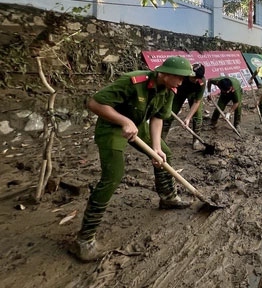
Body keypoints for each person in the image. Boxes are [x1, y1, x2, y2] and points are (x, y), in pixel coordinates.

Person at [73, 56, 195, 262]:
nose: (182, 82)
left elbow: (157, 117)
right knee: (113, 176)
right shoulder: (133, 81)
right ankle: (84, 240)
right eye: (179, 77)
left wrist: (156, 148)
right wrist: (123, 120)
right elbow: (94, 103)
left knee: (166, 153)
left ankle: (168, 197)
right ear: (164, 73)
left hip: (138, 127)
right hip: (112, 127)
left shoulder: (169, 90)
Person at [162, 63, 206, 149]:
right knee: (168, 115)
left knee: (197, 117)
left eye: (197, 78)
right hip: (179, 94)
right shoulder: (182, 75)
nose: (195, 80)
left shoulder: (201, 82)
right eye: (193, 77)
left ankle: (196, 141)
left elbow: (197, 102)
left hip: (193, 95)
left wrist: (188, 118)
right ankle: (161, 140)